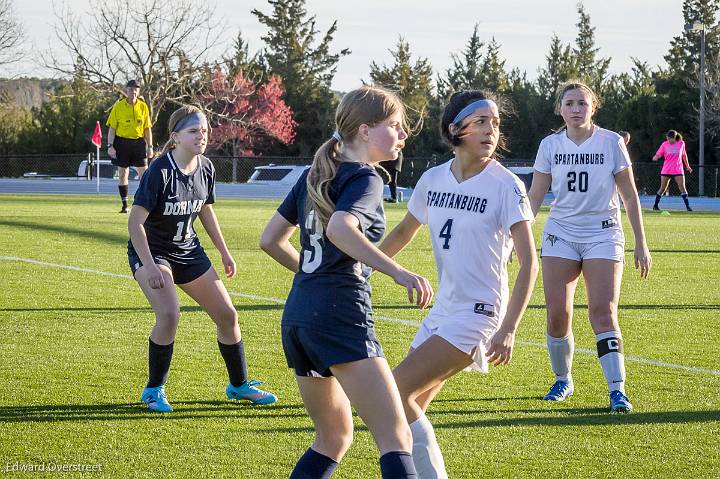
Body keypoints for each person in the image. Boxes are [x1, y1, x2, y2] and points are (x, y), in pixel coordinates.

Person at [260, 86, 433, 479]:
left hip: (300, 316)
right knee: (396, 437)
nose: (402, 135)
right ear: (366, 130)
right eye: (394, 126)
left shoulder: (315, 173)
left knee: (333, 438)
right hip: (339, 316)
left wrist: (315, 275)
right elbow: (341, 228)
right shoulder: (367, 178)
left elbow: (270, 240)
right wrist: (397, 271)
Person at [380, 90, 539, 477]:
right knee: (406, 406)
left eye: (496, 123)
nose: (491, 130)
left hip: (480, 313)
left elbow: (530, 263)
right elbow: (404, 230)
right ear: (456, 129)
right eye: (481, 121)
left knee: (393, 394)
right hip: (444, 309)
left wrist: (509, 329)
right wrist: (363, 266)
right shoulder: (433, 179)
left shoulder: (507, 185)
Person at [128, 105, 277, 413]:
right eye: (194, 131)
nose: (202, 136)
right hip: (154, 252)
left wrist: (223, 251)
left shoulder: (206, 167)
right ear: (175, 137)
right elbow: (135, 223)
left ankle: (239, 386)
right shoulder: (159, 171)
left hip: (188, 250)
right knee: (169, 314)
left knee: (227, 315)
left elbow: (206, 210)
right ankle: (153, 390)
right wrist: (152, 265)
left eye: (205, 130)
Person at [527, 80, 652, 414]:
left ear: (593, 107)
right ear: (560, 109)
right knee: (558, 314)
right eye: (569, 103)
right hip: (561, 233)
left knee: (603, 311)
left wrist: (641, 242)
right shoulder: (550, 145)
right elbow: (536, 196)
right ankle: (562, 379)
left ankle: (617, 390)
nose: (576, 109)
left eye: (582, 103)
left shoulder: (611, 142)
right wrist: (518, 236)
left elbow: (629, 195)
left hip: (603, 233)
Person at [107, 79, 154, 213]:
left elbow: (147, 129)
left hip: (138, 143)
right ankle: (124, 204)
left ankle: (143, 203)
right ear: (126, 91)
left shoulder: (143, 107)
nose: (133, 92)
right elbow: (112, 128)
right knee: (123, 173)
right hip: (122, 143)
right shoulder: (119, 106)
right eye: (130, 89)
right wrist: (110, 145)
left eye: (136, 89)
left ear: (138, 91)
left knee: (144, 174)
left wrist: (150, 146)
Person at [652, 130, 693, 211]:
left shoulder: (681, 143)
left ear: (675, 138)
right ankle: (655, 206)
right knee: (663, 188)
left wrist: (687, 166)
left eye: (670, 139)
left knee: (682, 187)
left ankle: (688, 207)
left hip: (678, 169)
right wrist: (656, 156)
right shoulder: (664, 144)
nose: (669, 140)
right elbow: (659, 153)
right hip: (666, 170)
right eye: (667, 138)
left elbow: (684, 155)